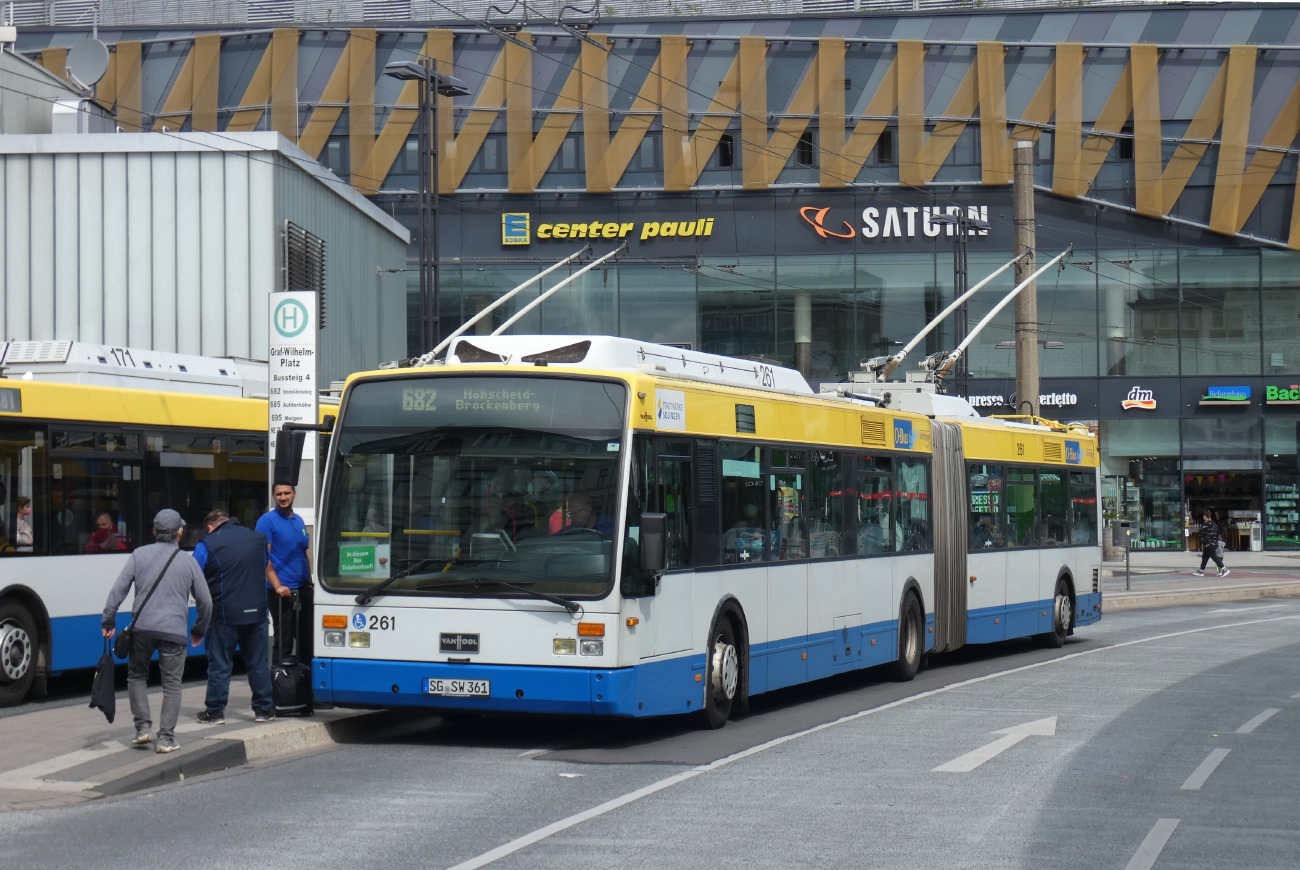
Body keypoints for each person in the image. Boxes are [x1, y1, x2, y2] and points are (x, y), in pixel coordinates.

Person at [101, 510, 211, 753]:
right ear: (179, 534)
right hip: (174, 631)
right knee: (172, 684)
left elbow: (117, 591)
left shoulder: (139, 555)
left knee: (137, 676)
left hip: (142, 629)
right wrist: (198, 629)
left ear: (154, 531)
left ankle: (142, 729)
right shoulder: (188, 561)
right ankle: (166, 738)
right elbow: (206, 602)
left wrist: (108, 621)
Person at [194, 509, 276, 724]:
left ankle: (215, 712)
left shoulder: (207, 544)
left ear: (210, 527)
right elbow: (265, 564)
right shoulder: (258, 539)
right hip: (257, 613)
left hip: (224, 615)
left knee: (220, 665)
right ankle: (264, 710)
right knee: (258, 663)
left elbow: (194, 574)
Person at [256, 483, 311, 665]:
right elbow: (263, 557)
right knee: (284, 642)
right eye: (279, 494)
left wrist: (309, 581)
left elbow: (303, 554)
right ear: (273, 496)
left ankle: (304, 686)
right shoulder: (267, 521)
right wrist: (278, 585)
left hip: (302, 589)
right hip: (281, 593)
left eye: (287, 493)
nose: (283, 497)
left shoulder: (298, 520)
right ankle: (280, 687)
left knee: (307, 641)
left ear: (294, 494)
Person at [1193, 509, 1230, 577]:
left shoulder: (1205, 525)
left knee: (1214, 557)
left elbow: (1200, 533)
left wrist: (1203, 539)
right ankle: (1201, 570)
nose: (1203, 517)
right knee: (1205, 557)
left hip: (1208, 543)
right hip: (1213, 543)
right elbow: (1218, 532)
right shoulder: (1214, 524)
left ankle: (1224, 569)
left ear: (1205, 516)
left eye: (1204, 516)